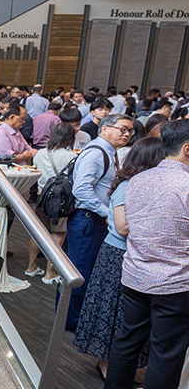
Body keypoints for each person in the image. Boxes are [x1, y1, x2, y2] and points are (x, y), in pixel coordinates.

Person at [102, 120, 189, 389]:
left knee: (126, 343)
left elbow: (130, 227)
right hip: (175, 282)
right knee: (166, 354)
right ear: (187, 148)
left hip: (136, 275)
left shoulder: (138, 180)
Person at [75, 137, 164, 377]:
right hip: (117, 254)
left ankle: (117, 364)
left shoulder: (146, 184)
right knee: (113, 310)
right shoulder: (128, 184)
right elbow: (122, 227)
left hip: (131, 253)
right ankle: (107, 364)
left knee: (123, 312)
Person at [64, 113, 135, 331]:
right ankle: (70, 322)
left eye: (130, 131)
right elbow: (81, 189)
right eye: (122, 129)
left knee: (87, 269)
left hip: (95, 220)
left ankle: (78, 319)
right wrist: (106, 212)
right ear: (104, 129)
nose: (127, 134)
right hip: (88, 219)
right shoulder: (97, 153)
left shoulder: (109, 152)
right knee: (80, 272)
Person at [28, 123, 76, 284]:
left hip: (42, 196)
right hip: (59, 200)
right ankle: (50, 273)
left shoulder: (40, 153)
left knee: (39, 232)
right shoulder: (70, 157)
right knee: (58, 234)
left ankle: (31, 267)